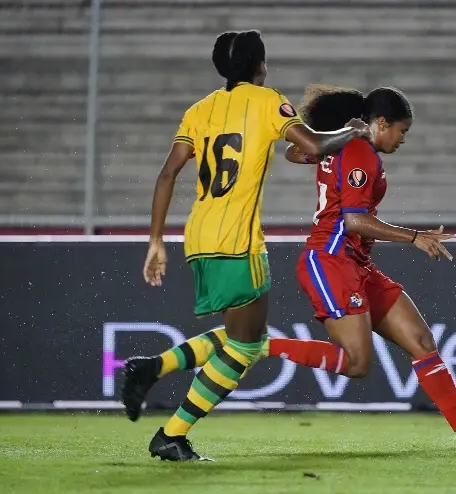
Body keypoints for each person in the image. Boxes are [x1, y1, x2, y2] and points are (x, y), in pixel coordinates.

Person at [121, 31, 370, 462]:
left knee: (242, 335)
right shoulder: (267, 100)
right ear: (260, 65)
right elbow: (312, 144)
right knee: (245, 347)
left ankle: (153, 368)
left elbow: (167, 174)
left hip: (197, 237)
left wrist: (156, 241)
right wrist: (351, 131)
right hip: (238, 241)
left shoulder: (199, 110)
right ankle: (172, 434)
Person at [260, 84, 456, 451]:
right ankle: (258, 346)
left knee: (421, 342)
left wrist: (331, 143)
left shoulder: (345, 147)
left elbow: (293, 151)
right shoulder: (361, 154)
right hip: (331, 261)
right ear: (381, 123)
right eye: (402, 130)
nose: (402, 139)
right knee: (357, 363)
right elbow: (354, 222)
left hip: (358, 265)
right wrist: (414, 237)